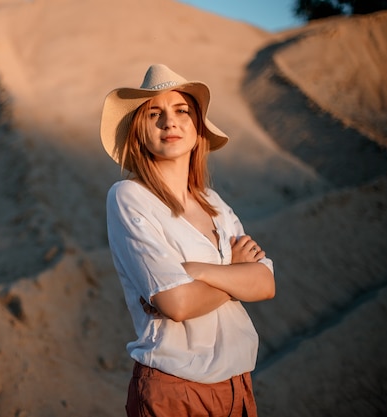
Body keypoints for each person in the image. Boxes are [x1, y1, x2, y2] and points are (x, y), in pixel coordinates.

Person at [100, 64, 275, 417]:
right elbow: (177, 303)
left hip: (238, 387)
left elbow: (266, 283)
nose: (170, 122)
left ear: (198, 127)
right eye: (155, 113)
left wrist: (204, 273)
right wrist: (234, 272)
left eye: (182, 111)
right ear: (139, 131)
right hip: (174, 390)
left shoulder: (215, 204)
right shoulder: (129, 197)